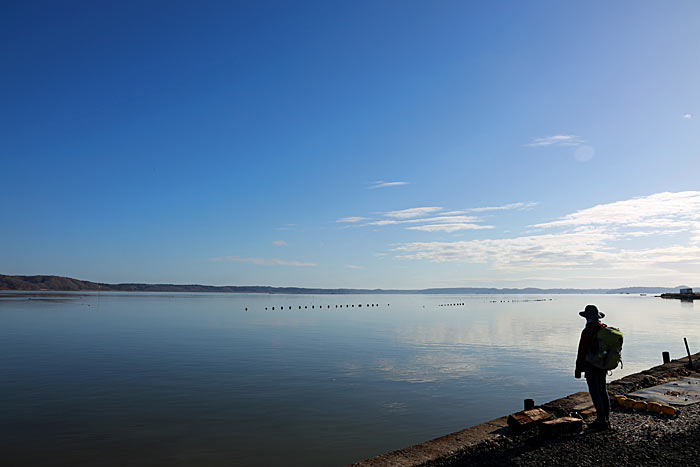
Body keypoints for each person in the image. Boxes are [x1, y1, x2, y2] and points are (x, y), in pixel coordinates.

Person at [575, 304, 611, 431]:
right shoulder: (603, 328)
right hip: (603, 364)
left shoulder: (588, 331)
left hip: (591, 365)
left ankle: (601, 421)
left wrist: (578, 369)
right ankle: (606, 419)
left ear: (587, 317)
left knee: (595, 393)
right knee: (602, 391)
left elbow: (582, 351)